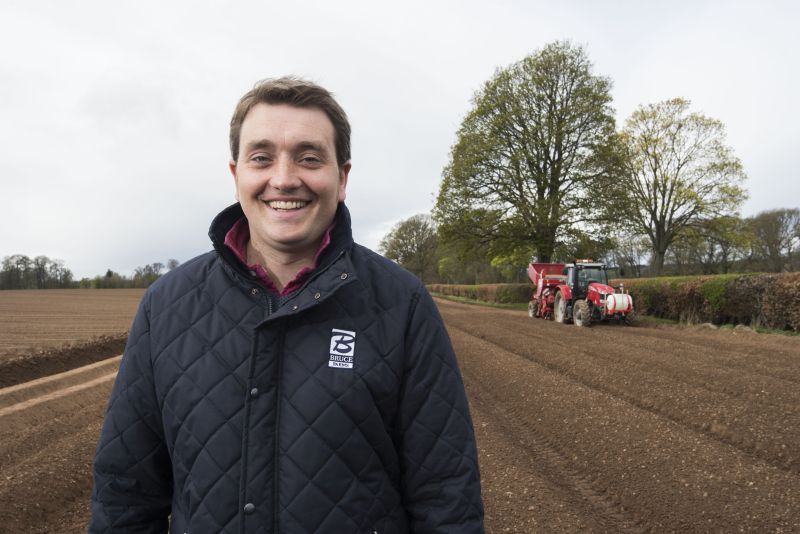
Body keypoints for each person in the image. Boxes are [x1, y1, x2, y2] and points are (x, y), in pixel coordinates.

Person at [89, 77, 484, 533]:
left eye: (309, 158)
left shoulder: (402, 304)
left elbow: (446, 497)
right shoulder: (168, 305)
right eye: (262, 158)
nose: (283, 178)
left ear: (342, 178)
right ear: (236, 173)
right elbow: (125, 493)